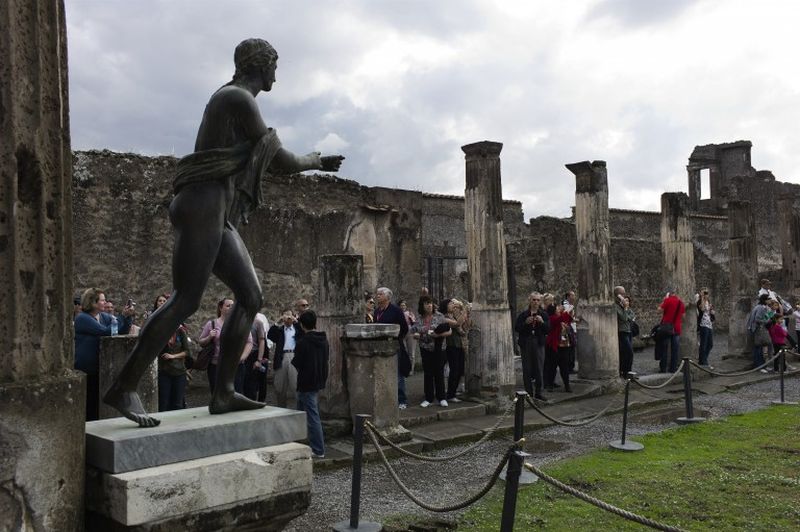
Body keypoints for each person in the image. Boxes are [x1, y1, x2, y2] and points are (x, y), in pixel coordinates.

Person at [103, 38, 344, 427]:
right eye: (274, 65)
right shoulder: (237, 98)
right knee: (185, 300)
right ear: (260, 65)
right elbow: (279, 160)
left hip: (215, 211)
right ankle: (124, 386)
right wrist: (314, 160)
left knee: (250, 295)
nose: (276, 73)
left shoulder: (235, 99)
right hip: (202, 206)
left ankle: (224, 392)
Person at [74, 288, 133, 420]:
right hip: (87, 369)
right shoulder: (82, 318)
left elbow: (120, 331)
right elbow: (106, 331)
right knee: (90, 405)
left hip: (100, 367)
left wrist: (127, 317)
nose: (105, 303)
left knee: (98, 404)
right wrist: (122, 316)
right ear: (93, 302)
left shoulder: (104, 316)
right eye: (102, 300)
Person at [291, 310, 329, 459]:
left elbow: (297, 362)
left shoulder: (303, 342)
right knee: (301, 412)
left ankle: (318, 449)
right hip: (318, 379)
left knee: (312, 416)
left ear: (302, 325)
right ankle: (299, 441)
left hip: (306, 381)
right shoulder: (323, 340)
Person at [373, 287, 410, 408]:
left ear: (388, 297)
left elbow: (404, 328)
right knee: (383, 373)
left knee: (398, 374)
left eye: (380, 294)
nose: (378, 296)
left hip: (394, 345)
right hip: (381, 345)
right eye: (377, 294)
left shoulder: (396, 311)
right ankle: (386, 398)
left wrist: (396, 338)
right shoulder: (377, 311)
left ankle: (402, 400)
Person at [411, 295, 451, 407]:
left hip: (439, 348)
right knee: (428, 373)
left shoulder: (439, 316)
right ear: (422, 306)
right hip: (425, 348)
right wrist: (416, 335)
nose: (429, 305)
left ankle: (441, 397)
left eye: (430, 303)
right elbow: (413, 331)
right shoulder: (419, 318)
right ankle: (428, 398)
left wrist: (438, 335)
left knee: (439, 372)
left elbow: (449, 331)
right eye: (426, 303)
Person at [154, 294, 189, 411]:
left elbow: (187, 351)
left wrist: (173, 356)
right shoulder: (157, 328)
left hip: (179, 371)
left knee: (178, 404)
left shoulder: (180, 330)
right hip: (164, 371)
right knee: (164, 403)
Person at [515, 292, 550, 401]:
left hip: (538, 343)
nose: (535, 302)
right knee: (527, 369)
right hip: (526, 343)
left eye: (538, 300)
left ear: (540, 302)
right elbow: (517, 328)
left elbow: (548, 329)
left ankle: (539, 392)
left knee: (539, 368)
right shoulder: (523, 315)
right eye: (534, 300)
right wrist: (525, 323)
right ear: (530, 301)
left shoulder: (544, 314)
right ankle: (528, 392)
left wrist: (542, 322)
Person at [268, 309, 303, 408]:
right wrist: (277, 322)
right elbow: (270, 335)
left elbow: (304, 334)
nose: (288, 318)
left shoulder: (297, 328)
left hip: (294, 356)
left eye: (289, 315)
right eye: (285, 315)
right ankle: (281, 408)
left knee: (295, 385)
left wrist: (296, 321)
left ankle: (299, 409)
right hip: (282, 357)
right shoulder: (279, 330)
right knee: (280, 386)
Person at [545, 302, 573, 392]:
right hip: (555, 346)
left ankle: (567, 385)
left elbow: (569, 319)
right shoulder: (552, 318)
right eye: (557, 309)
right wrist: (566, 311)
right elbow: (560, 319)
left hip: (564, 345)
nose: (559, 309)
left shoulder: (560, 317)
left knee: (564, 367)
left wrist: (569, 312)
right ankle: (550, 385)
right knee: (552, 366)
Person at [656, 289, 685, 373]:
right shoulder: (681, 303)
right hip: (676, 328)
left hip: (666, 328)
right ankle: (673, 368)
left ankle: (663, 368)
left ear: (669, 294)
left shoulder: (667, 300)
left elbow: (659, 310)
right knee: (675, 350)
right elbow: (683, 317)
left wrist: (664, 300)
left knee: (664, 349)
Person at [244, 311, 270, 402]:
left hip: (253, 355)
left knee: (252, 384)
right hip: (242, 356)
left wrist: (259, 360)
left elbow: (262, 341)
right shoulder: (240, 321)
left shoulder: (258, 322)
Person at [444, 299, 467, 402]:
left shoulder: (453, 315)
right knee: (454, 370)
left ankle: (453, 391)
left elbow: (461, 329)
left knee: (460, 369)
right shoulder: (445, 317)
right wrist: (464, 310)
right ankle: (450, 394)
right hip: (451, 345)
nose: (453, 305)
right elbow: (457, 324)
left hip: (459, 345)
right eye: (451, 304)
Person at [746, 293, 773, 370]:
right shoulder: (761, 308)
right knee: (758, 348)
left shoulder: (760, 307)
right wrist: (767, 321)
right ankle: (759, 366)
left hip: (755, 329)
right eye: (769, 299)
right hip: (757, 330)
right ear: (765, 300)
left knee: (758, 348)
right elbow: (757, 319)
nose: (770, 301)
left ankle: (761, 365)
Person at [614, 286, 634, 377]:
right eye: (622, 293)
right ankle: (625, 371)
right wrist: (625, 309)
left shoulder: (623, 305)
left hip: (628, 331)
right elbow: (624, 318)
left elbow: (632, 315)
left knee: (627, 353)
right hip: (622, 332)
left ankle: (628, 371)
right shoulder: (616, 306)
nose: (624, 295)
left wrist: (626, 308)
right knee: (628, 352)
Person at [696, 288, 715, 368]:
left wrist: (712, 312)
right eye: (705, 293)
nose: (707, 294)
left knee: (710, 344)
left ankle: (703, 359)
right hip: (703, 324)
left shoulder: (709, 302)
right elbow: (702, 309)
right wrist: (702, 298)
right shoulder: (699, 301)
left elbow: (711, 312)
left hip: (709, 324)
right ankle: (703, 361)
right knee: (703, 343)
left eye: (707, 293)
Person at [561, 290, 578, 373]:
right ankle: (569, 367)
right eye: (572, 295)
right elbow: (566, 315)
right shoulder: (566, 305)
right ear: (568, 297)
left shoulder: (570, 305)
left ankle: (570, 367)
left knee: (572, 348)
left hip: (571, 328)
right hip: (568, 328)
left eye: (574, 295)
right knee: (570, 348)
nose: (574, 297)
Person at [399, 299, 417, 376]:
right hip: (401, 332)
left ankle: (411, 370)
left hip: (410, 332)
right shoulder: (398, 313)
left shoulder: (410, 313)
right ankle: (404, 369)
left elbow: (414, 323)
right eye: (401, 305)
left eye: (404, 305)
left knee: (411, 353)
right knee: (403, 351)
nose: (403, 307)